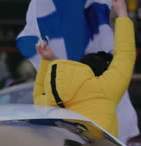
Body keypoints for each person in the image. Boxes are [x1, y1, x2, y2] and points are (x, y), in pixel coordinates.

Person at [33, 0, 135, 138]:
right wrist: (122, 13)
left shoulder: (56, 94)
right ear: (99, 74)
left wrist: (47, 60)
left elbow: (38, 97)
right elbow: (125, 53)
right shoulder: (105, 88)